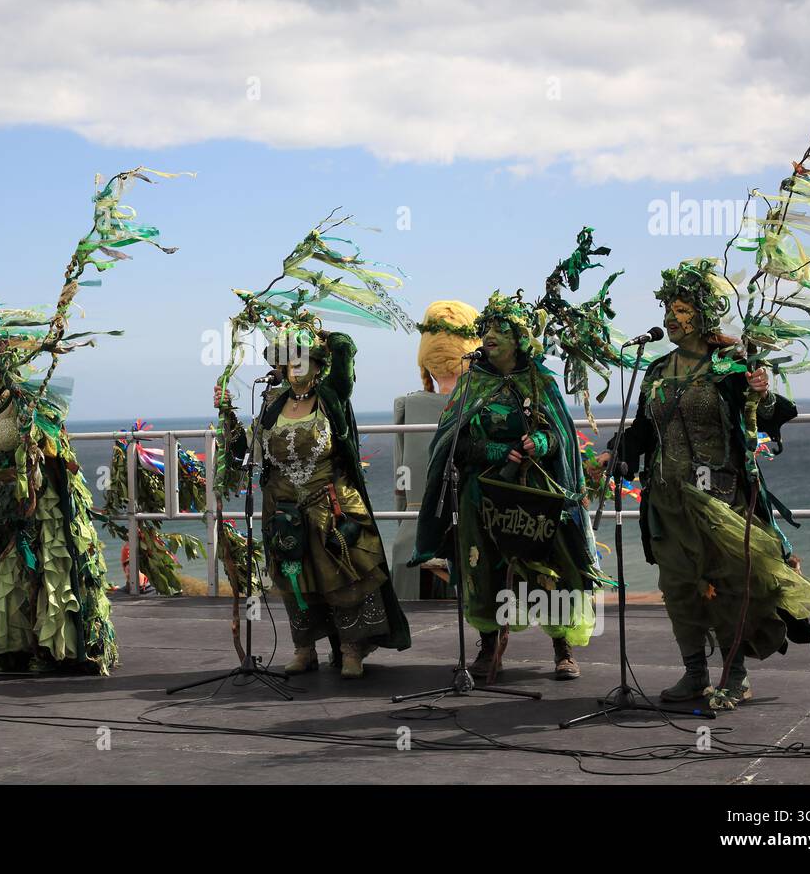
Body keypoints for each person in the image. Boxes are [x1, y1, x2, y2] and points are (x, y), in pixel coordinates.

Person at [598, 259, 810, 709]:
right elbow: (644, 431)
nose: (671, 317)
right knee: (679, 589)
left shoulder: (729, 367)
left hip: (720, 499)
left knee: (726, 588)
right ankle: (694, 675)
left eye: (681, 309)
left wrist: (761, 392)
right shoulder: (656, 370)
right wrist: (616, 452)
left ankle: (734, 675)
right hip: (666, 501)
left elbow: (769, 414)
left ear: (704, 315)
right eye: (668, 308)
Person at [412, 291, 600, 681]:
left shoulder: (541, 381)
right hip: (481, 495)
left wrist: (543, 442)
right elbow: (452, 444)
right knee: (482, 569)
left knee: (551, 567)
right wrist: (492, 449)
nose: (490, 336)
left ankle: (562, 647)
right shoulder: (471, 384)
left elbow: (561, 436)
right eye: (487, 329)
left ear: (519, 338)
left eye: (501, 329)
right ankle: (487, 647)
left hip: (536, 494)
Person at [216, 325, 411, 678]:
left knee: (344, 576)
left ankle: (351, 650)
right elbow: (247, 453)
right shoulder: (272, 405)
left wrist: (321, 334)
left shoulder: (331, 396)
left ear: (319, 365)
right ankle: (304, 650)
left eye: (302, 359)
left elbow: (346, 349)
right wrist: (227, 413)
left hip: (330, 504)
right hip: (283, 510)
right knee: (295, 579)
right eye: (288, 361)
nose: (294, 367)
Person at [0, 329, 118, 675]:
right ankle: (1, 649)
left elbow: (57, 450)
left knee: (33, 571)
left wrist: (35, 444)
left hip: (32, 501)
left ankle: (43, 650)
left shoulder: (28, 405)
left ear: (1, 367)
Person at [392, 301, 480, 600]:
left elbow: (401, 479)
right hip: (470, 525)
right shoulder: (482, 403)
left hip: (414, 530)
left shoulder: (407, 406)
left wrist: (403, 518)